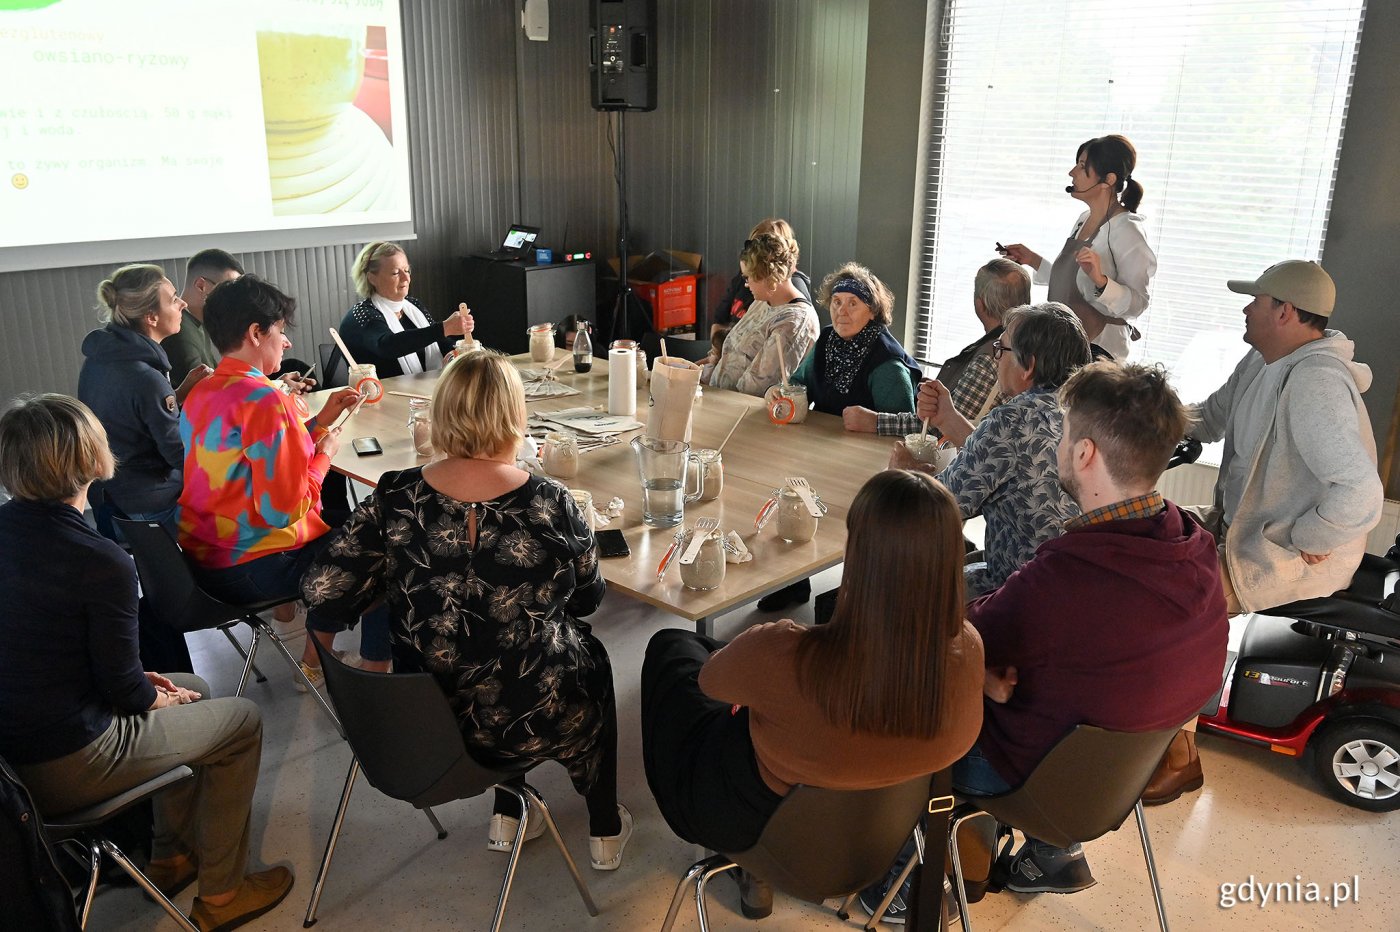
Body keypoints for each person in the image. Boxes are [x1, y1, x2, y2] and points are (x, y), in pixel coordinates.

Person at [864, 362, 1228, 913]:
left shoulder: (1066, 578)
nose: (1056, 444)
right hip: (1120, 778)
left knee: (908, 685)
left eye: (1062, 434)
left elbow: (950, 641)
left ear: (1084, 454)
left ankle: (901, 884)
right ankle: (1053, 856)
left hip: (1037, 778)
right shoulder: (1193, 547)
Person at [300, 352, 630, 869]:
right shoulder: (551, 501)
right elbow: (589, 599)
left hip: (427, 722)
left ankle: (509, 812)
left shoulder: (396, 496)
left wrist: (397, 585)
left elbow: (322, 592)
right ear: (514, 418)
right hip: (529, 718)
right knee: (578, 655)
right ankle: (604, 828)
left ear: (444, 415)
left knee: (484, 650)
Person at [0, 394, 293, 932]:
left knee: (193, 686)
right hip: (66, 762)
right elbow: (125, 692)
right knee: (243, 721)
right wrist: (149, 695)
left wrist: (150, 687)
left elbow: (53, 655)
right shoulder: (98, 559)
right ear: (89, 458)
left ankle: (171, 855)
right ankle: (224, 895)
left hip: (12, 762)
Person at [642, 470, 984, 920]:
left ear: (859, 555)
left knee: (673, 649)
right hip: (881, 836)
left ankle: (753, 871)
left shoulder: (787, 654)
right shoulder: (967, 651)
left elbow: (710, 683)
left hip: (757, 828)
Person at [1143, 260, 1384, 805]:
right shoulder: (1264, 358)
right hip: (1244, 527)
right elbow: (1209, 417)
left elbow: (1360, 493)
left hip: (1286, 551)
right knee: (1147, 540)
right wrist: (1139, 417)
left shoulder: (1316, 382)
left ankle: (1179, 755)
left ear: (1285, 310)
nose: (1245, 308)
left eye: (1255, 300)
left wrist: (1311, 538)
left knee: (1181, 613)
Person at [176, 275, 392, 685]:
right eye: (280, 330)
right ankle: (368, 674)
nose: (286, 343)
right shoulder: (265, 398)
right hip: (256, 563)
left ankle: (313, 661)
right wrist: (324, 457)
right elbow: (284, 510)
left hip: (204, 559)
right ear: (256, 332)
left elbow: (246, 463)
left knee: (354, 536)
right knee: (388, 547)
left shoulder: (204, 390)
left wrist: (314, 425)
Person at [894, 302, 1091, 597]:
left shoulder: (1012, 418)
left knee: (901, 582)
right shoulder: (1082, 414)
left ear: (1029, 367)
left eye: (1001, 349)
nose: (995, 359)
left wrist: (901, 473)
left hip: (1021, 592)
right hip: (1077, 585)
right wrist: (948, 418)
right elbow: (1005, 460)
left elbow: (935, 509)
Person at [999, 134, 1156, 360]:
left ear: (1108, 180)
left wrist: (1101, 282)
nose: (1072, 173)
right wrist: (1033, 259)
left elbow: (1138, 304)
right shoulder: (1084, 219)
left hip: (1097, 355)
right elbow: (1072, 283)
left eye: (1082, 166)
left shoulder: (1128, 231)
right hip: (1063, 346)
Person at [79, 263, 204, 535]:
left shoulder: (101, 359)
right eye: (173, 299)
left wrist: (179, 393)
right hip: (150, 503)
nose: (182, 303)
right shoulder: (146, 377)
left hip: (109, 497)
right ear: (151, 317)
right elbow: (178, 455)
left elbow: (131, 417)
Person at [844, 257, 1030, 436]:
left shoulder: (990, 357)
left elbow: (943, 426)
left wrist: (875, 422)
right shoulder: (1023, 347)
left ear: (979, 304)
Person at [706, 233, 819, 396]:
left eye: (748, 277)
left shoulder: (796, 321)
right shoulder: (762, 301)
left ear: (769, 277)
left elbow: (757, 387)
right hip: (721, 400)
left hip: (743, 411)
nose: (746, 284)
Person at [337, 241, 473, 378]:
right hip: (379, 396)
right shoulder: (362, 314)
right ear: (372, 278)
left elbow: (439, 342)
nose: (406, 277)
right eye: (395, 273)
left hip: (421, 391)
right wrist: (444, 328)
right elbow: (387, 345)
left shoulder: (413, 306)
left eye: (407, 270)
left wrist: (457, 351)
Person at [709, 218, 814, 340]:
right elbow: (719, 320)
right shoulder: (747, 279)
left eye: (759, 249)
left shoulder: (791, 294)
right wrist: (718, 351)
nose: (747, 283)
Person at [165, 249, 243, 388]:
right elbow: (206, 392)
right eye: (227, 291)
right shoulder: (178, 331)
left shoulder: (198, 323)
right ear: (201, 286)